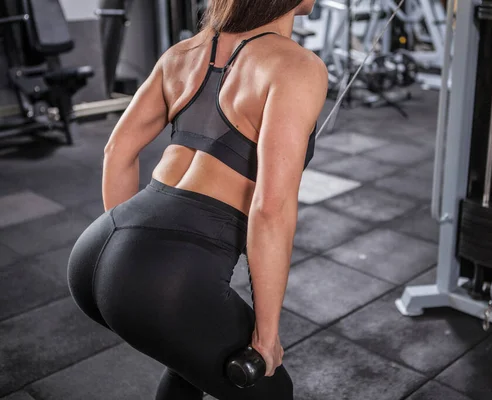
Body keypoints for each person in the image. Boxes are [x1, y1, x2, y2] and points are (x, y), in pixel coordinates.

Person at [66, 0, 328, 398]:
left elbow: (117, 151)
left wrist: (126, 256)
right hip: (162, 275)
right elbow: (271, 207)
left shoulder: (182, 54)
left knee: (190, 363)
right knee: (273, 393)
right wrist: (267, 333)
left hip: (97, 248)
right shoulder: (296, 66)